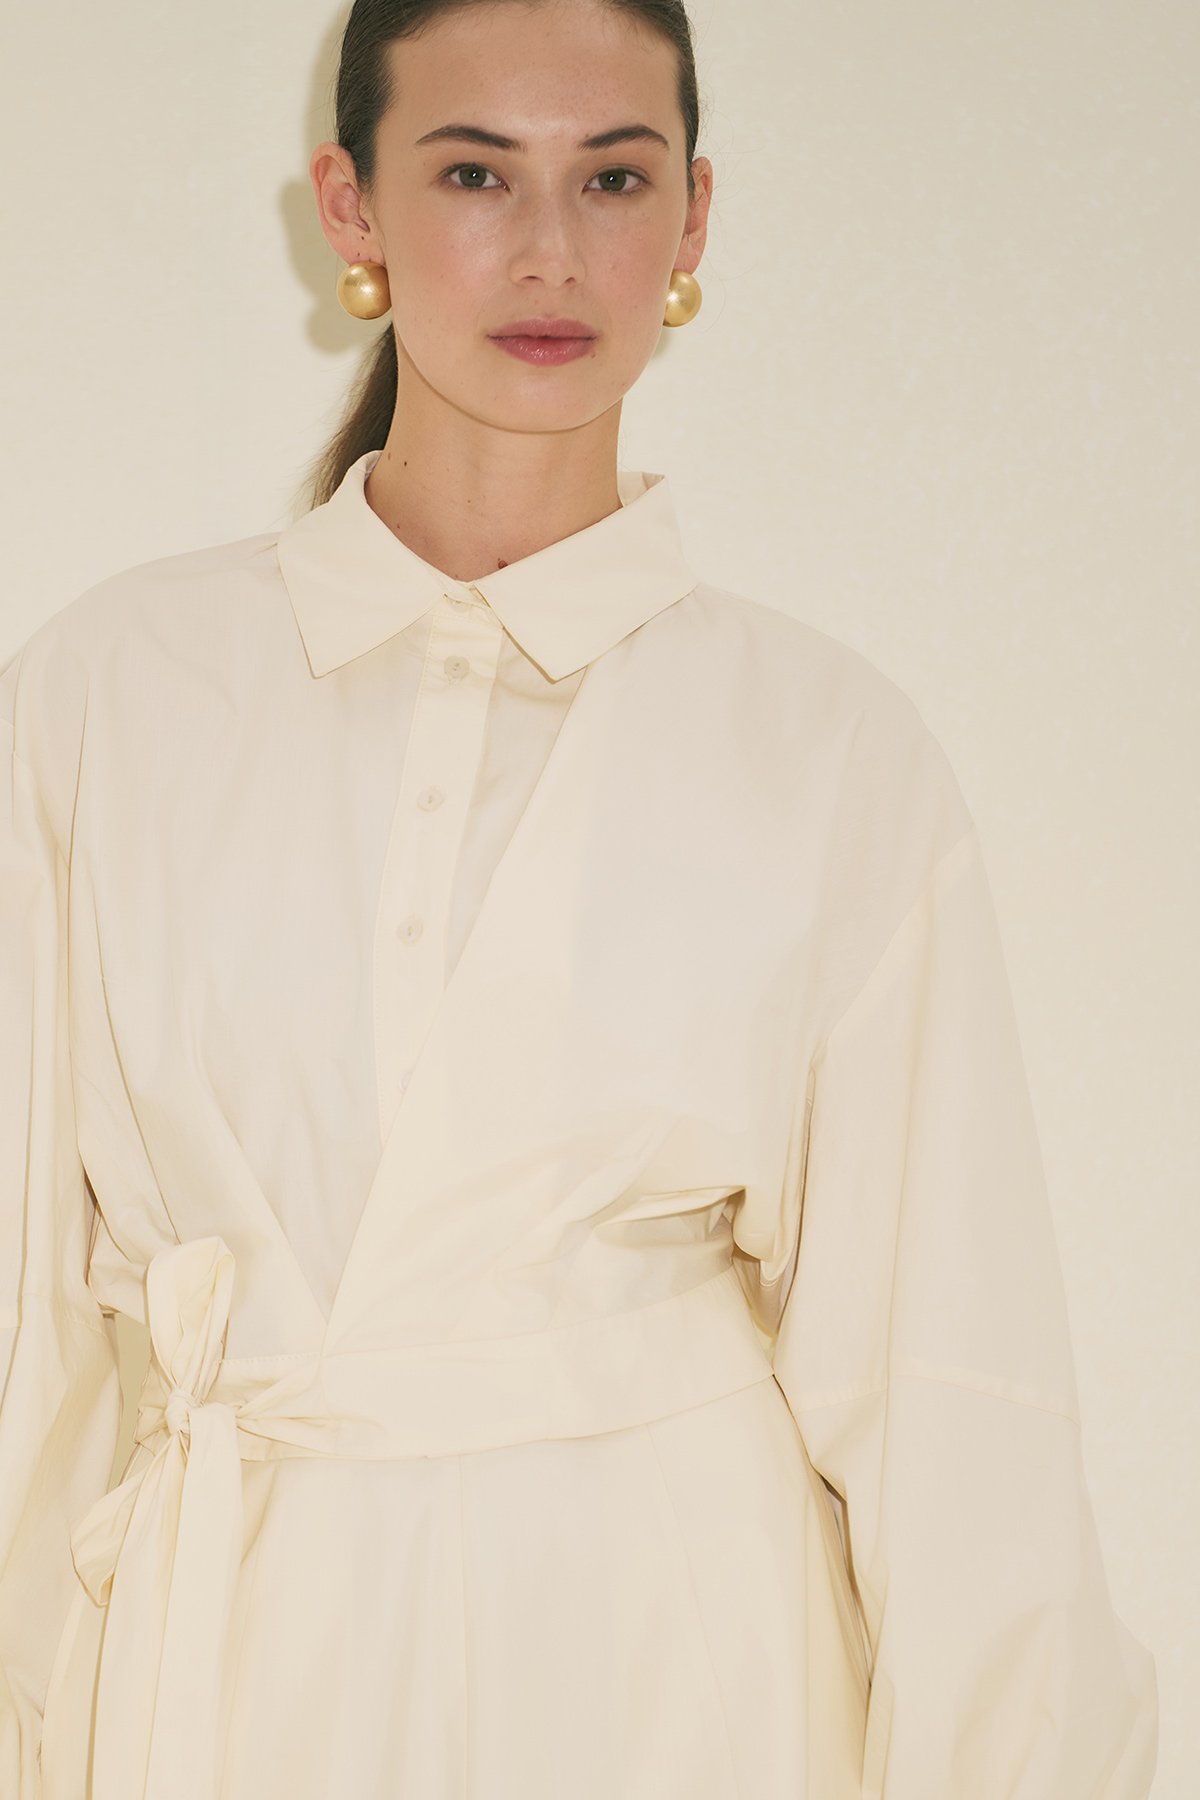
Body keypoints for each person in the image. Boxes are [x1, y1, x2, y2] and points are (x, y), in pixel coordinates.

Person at [0, 1, 1158, 1795]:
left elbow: (949, 1382)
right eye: (476, 174)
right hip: (234, 1678)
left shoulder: (825, 751)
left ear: (693, 216)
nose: (551, 250)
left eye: (613, 178)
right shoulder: (114, 692)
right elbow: (29, 1337)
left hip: (678, 1679)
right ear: (351, 203)